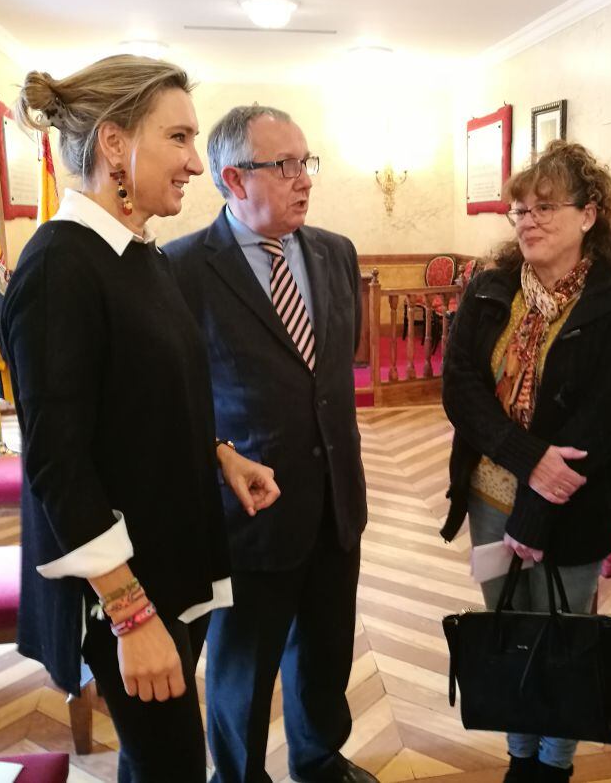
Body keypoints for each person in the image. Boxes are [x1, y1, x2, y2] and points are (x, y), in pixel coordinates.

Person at [2, 56, 279, 783]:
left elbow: (144, 399)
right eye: (180, 137)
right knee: (173, 769)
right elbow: (60, 463)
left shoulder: (136, 254)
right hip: (125, 590)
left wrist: (219, 452)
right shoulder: (61, 267)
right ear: (116, 145)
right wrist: (129, 613)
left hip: (169, 561)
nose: (196, 161)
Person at [164, 105, 372, 783]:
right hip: (249, 510)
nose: (302, 179)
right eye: (282, 166)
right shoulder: (182, 268)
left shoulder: (336, 253)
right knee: (242, 669)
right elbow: (171, 398)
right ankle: (239, 776)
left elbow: (332, 375)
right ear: (231, 178)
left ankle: (318, 761)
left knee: (324, 655)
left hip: (336, 502)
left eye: (305, 163)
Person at [441, 140, 611, 783]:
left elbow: (599, 419)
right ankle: (519, 753)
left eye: (544, 207)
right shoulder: (490, 286)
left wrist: (537, 507)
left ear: (590, 215)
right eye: (519, 209)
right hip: (489, 492)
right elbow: (461, 388)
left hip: (574, 498)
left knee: (564, 630)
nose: (527, 220)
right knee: (509, 627)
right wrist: (527, 460)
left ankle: (553, 765)